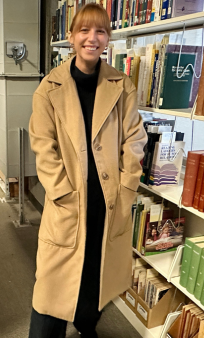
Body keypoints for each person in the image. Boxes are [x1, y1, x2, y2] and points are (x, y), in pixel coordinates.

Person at [28, 4, 148, 337]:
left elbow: (135, 139)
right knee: (52, 288)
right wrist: (62, 191)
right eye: (84, 30)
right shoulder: (49, 89)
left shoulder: (122, 86)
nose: (91, 38)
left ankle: (86, 325)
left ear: (108, 38)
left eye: (100, 31)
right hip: (69, 202)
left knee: (96, 272)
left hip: (109, 202)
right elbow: (43, 146)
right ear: (71, 37)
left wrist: (127, 187)